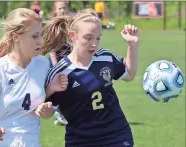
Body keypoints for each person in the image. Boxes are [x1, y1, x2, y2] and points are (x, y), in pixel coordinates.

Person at [0, 8, 68, 147]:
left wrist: (47, 109)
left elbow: (45, 111)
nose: (40, 41)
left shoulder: (43, 65)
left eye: (41, 35)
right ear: (16, 37)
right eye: (34, 36)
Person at [43, 8, 139, 147]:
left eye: (98, 38)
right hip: (80, 141)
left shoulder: (106, 57)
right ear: (72, 35)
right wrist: (45, 110)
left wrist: (132, 44)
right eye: (88, 38)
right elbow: (48, 112)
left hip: (117, 136)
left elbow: (129, 75)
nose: (94, 43)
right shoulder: (60, 72)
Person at [43, 0, 72, 126]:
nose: (63, 10)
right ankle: (58, 112)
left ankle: (66, 112)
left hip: (69, 60)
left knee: (70, 86)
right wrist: (56, 66)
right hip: (57, 61)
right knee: (58, 87)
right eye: (60, 8)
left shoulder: (72, 24)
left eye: (65, 8)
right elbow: (52, 49)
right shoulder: (54, 26)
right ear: (55, 10)